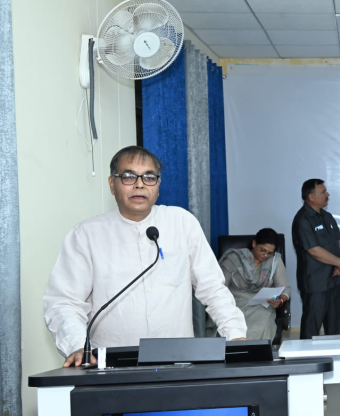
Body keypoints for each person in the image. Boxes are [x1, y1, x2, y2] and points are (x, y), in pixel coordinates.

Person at [44, 146, 247, 367]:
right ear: (112, 184)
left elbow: (213, 288)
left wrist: (235, 335)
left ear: (158, 186)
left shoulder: (182, 223)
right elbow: (65, 302)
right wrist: (76, 345)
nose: (140, 184)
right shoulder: (86, 234)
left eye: (149, 177)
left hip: (178, 362)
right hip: (111, 365)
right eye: (129, 176)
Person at [291, 179, 340, 339]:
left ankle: (333, 354)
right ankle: (306, 355)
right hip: (316, 283)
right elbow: (314, 251)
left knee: (334, 328)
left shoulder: (327, 216)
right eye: (323, 192)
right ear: (311, 196)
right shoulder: (302, 220)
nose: (327, 194)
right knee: (311, 328)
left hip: (334, 279)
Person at [219, 228, 290, 341]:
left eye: (270, 253)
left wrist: (280, 301)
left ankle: (257, 352)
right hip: (234, 304)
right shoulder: (234, 259)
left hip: (261, 306)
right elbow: (220, 287)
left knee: (262, 323)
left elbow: (284, 288)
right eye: (263, 250)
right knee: (234, 327)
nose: (265, 255)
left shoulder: (274, 261)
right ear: (254, 243)